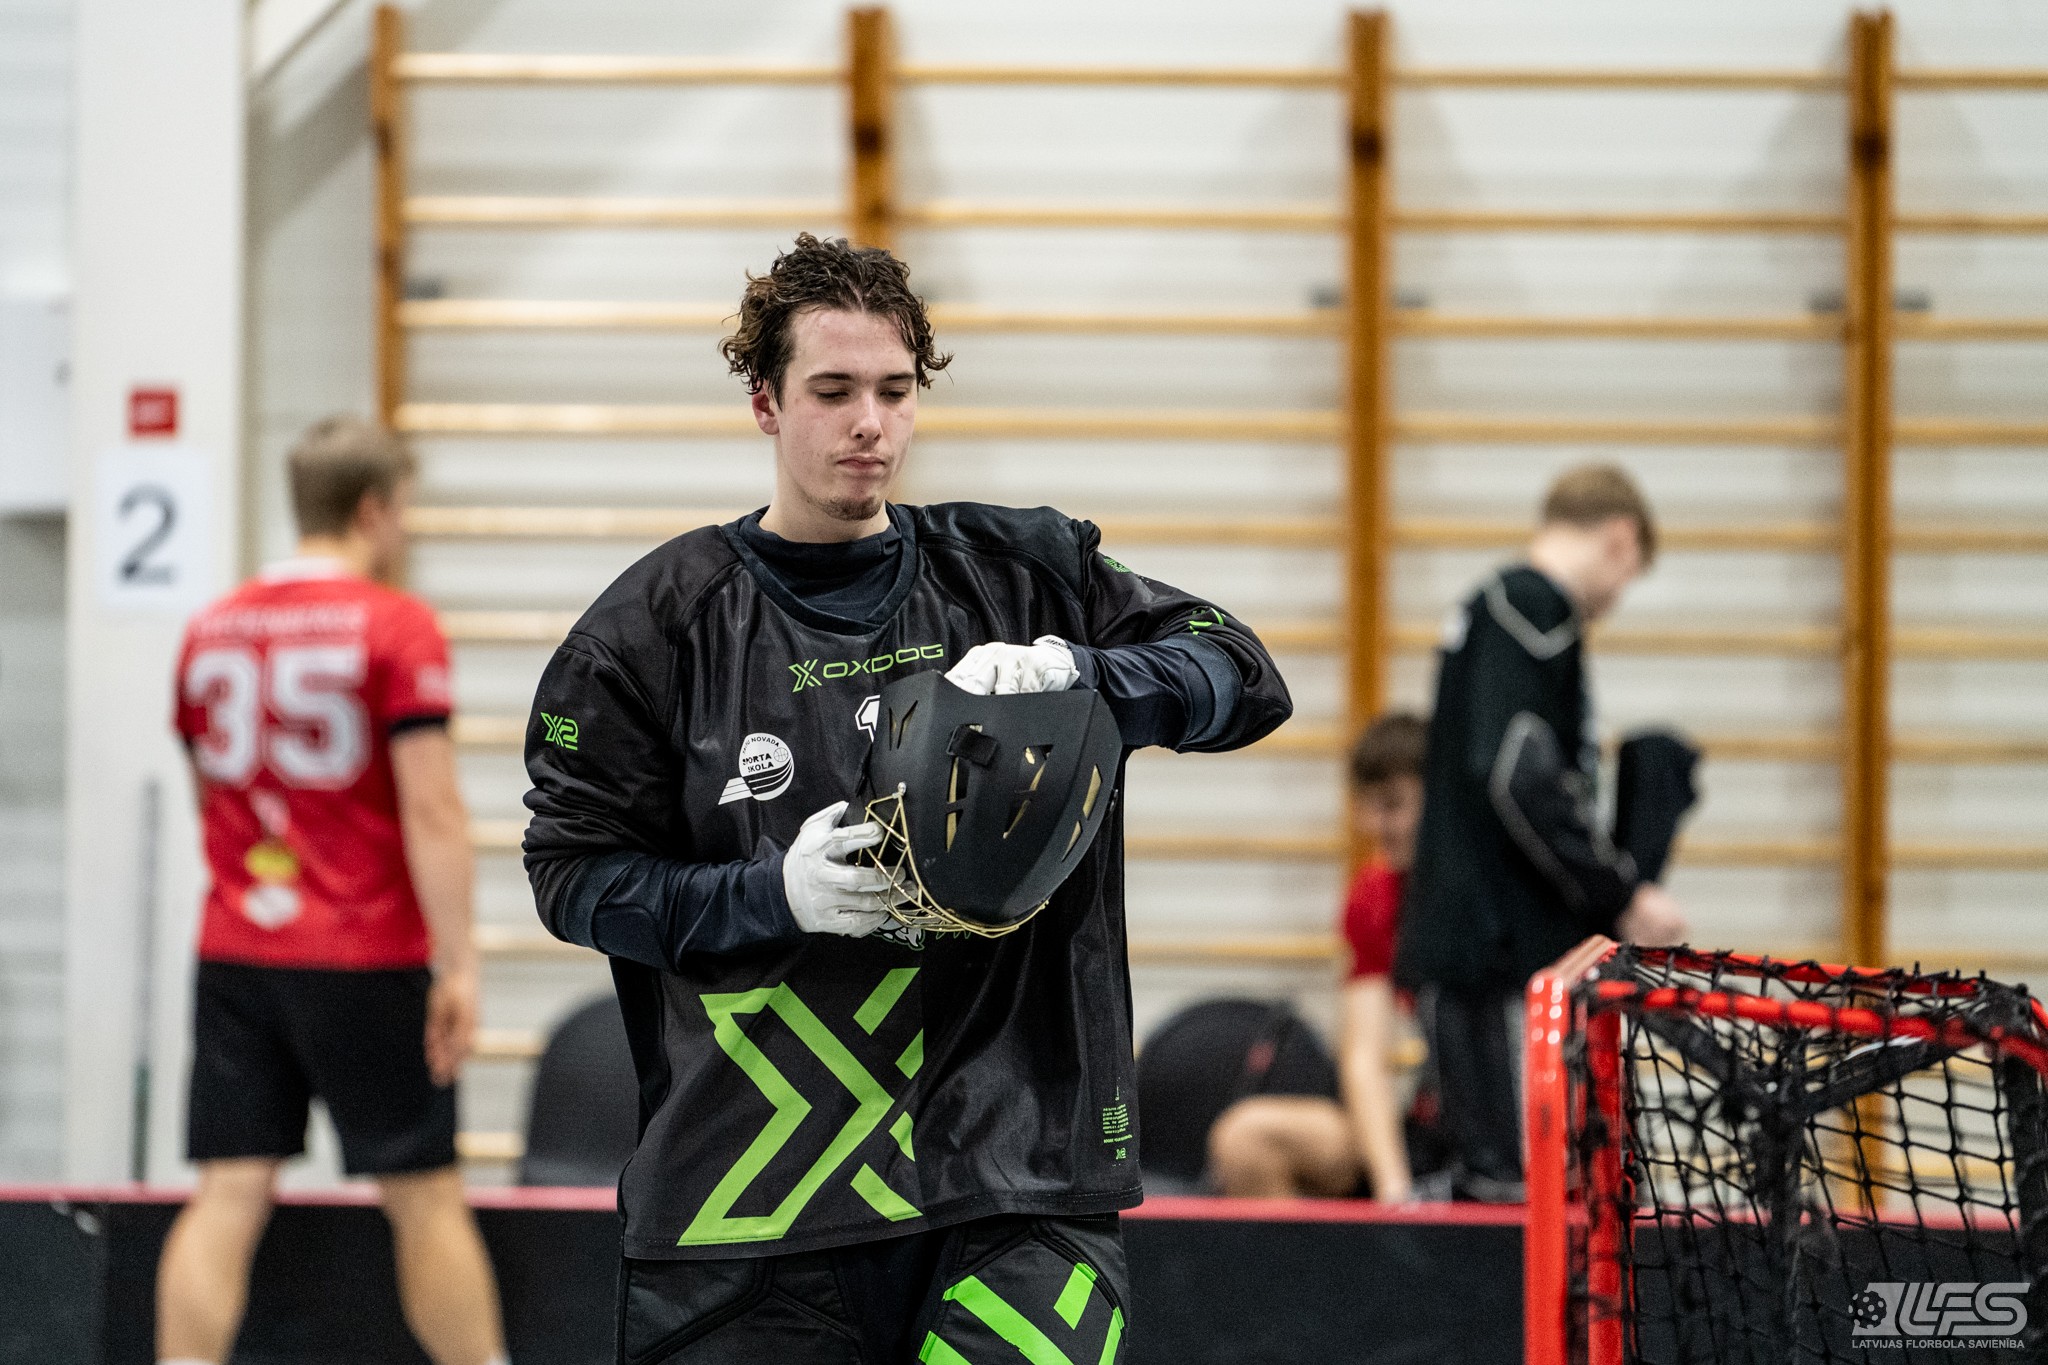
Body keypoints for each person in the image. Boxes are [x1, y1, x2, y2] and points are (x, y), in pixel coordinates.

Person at [521, 232, 1292, 1364]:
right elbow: (570, 876)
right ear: (765, 403)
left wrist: (1086, 675)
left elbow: (1246, 675)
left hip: (1015, 1182)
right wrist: (768, 896)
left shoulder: (1027, 575)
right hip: (748, 1208)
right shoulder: (650, 629)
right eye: (832, 391)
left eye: (894, 390)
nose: (869, 424)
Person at [162, 418, 505, 1365]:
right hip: (366, 952)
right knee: (424, 1196)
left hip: (238, 950)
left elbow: (209, 796)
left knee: (227, 1193)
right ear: (374, 509)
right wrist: (459, 963)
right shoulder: (395, 624)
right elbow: (431, 809)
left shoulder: (210, 626)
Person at [1394, 464, 1688, 1204]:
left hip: (1474, 950)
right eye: (1628, 579)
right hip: (1498, 958)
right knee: (1520, 1192)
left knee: (1506, 1179)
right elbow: (1518, 771)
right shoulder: (1533, 606)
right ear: (1620, 541)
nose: (1614, 601)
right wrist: (1620, 893)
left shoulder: (1492, 608)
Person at [1207, 712, 1446, 1202]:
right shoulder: (1376, 898)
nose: (1373, 825)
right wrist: (1396, 1196)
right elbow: (1364, 1057)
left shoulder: (1492, 900)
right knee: (1245, 1139)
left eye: (1394, 805)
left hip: (1505, 1138)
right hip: (1424, 1128)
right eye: (1367, 806)